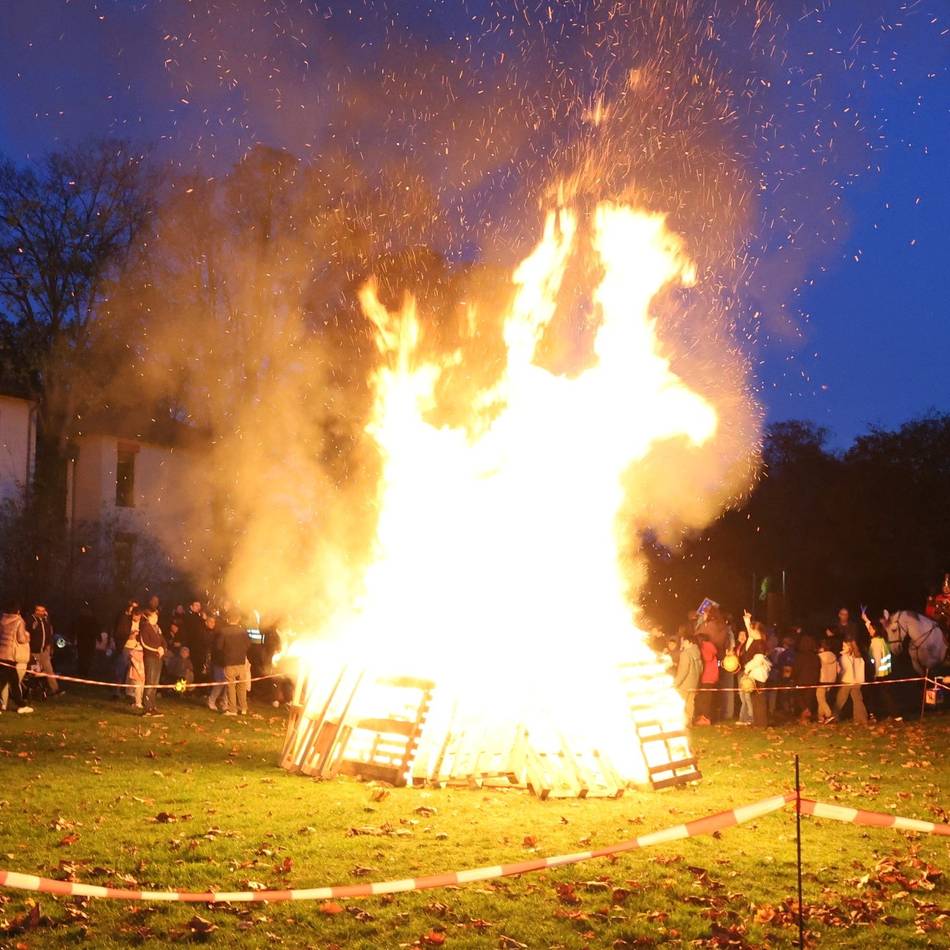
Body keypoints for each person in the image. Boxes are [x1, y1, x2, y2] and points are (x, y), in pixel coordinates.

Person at [863, 609, 901, 721]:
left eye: (870, 629)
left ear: (874, 630)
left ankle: (875, 716)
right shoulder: (883, 640)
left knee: (875, 695)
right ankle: (894, 715)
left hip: (878, 673)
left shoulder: (875, 643)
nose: (869, 630)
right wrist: (866, 620)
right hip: (887, 672)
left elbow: (877, 660)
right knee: (886, 695)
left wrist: (874, 674)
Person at [0, 602, 34, 714]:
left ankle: (21, 704)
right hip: (11, 655)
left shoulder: (2, 620)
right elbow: (21, 638)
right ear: (18, 611)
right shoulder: (19, 621)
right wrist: (27, 636)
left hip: (2, 654)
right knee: (7, 682)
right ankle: (21, 705)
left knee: (12, 682)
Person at [216, 610, 249, 716]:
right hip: (241, 661)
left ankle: (232, 709)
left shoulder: (224, 631)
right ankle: (243, 708)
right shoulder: (243, 631)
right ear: (238, 619)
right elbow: (248, 645)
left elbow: (219, 646)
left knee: (231, 686)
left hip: (229, 661)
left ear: (228, 619)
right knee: (242, 685)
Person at [742, 611, 770, 727]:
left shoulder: (760, 644)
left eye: (752, 630)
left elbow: (757, 660)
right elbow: (749, 632)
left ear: (757, 631)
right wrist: (747, 620)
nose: (750, 632)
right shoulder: (754, 640)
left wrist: (746, 669)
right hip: (754, 674)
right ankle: (757, 722)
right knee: (754, 699)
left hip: (758, 674)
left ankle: (762, 723)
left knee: (759, 700)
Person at [28, 604, 61, 696]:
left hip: (43, 651)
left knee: (49, 669)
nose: (40, 613)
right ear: (35, 610)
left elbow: (49, 635)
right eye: (38, 610)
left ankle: (55, 689)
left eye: (42, 611)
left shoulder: (46, 621)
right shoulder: (30, 620)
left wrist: (49, 647)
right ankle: (28, 690)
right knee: (33, 672)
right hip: (33, 651)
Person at [834, 639, 868, 724]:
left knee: (840, 700)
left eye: (844, 646)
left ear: (849, 647)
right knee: (858, 700)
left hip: (846, 681)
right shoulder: (859, 657)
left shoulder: (844, 658)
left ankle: (834, 717)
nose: (842, 647)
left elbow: (841, 670)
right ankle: (861, 719)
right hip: (857, 682)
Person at [671, 633, 702, 724]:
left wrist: (676, 683)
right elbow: (701, 669)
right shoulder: (697, 653)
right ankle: (689, 722)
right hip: (694, 683)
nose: (683, 644)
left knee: (680, 703)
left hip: (684, 684)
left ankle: (681, 722)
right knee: (690, 703)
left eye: (684, 642)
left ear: (690, 642)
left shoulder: (685, 654)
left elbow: (683, 670)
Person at [140, 609, 165, 717]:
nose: (156, 618)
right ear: (148, 617)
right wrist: (156, 649)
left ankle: (153, 706)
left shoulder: (157, 628)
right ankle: (147, 708)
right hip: (150, 657)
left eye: (156, 617)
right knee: (150, 682)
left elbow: (163, 640)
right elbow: (145, 643)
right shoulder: (145, 628)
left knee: (155, 683)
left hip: (158, 658)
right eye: (153, 616)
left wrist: (163, 648)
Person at [793, 634, 821, 722]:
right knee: (809, 700)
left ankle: (805, 713)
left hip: (801, 681)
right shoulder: (816, 657)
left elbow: (796, 669)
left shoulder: (800, 656)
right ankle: (805, 719)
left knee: (799, 697)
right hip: (813, 681)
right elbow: (818, 669)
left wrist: (793, 677)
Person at [694, 633, 719, 726]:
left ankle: (706, 718)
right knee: (703, 698)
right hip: (709, 676)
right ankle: (703, 717)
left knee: (706, 699)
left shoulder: (706, 647)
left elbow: (707, 658)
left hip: (707, 676)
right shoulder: (709, 647)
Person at [205, 616, 229, 712]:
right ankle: (211, 700)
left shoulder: (220, 636)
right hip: (219, 663)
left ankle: (224, 702)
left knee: (227, 684)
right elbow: (216, 650)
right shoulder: (216, 637)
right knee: (220, 682)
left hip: (226, 663)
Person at [72, 602, 99, 678]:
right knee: (86, 658)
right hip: (88, 641)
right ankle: (84, 672)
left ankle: (82, 672)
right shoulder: (91, 619)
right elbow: (96, 629)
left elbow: (75, 628)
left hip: (84, 641)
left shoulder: (81, 618)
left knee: (83, 657)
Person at [816, 636, 839, 723]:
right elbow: (838, 669)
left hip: (822, 679)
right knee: (822, 698)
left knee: (820, 698)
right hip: (831, 680)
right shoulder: (834, 656)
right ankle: (821, 717)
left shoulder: (819, 657)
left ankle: (829, 714)